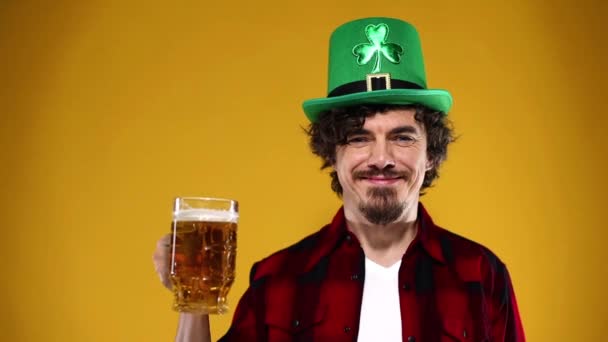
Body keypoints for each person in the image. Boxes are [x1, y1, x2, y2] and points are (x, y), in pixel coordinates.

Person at [153, 17, 525, 341]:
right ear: (332, 154)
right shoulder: (277, 279)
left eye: (402, 137)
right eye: (359, 138)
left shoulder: (481, 274)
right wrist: (193, 301)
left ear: (430, 154)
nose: (381, 158)